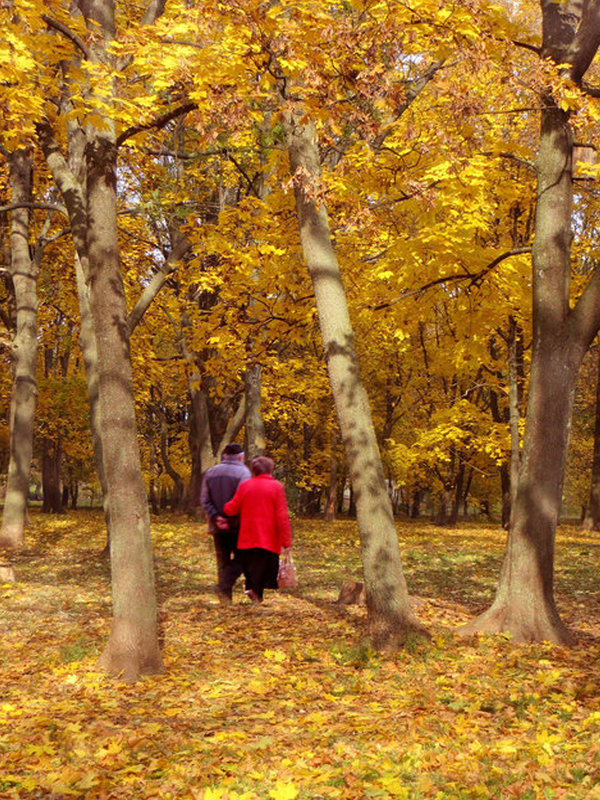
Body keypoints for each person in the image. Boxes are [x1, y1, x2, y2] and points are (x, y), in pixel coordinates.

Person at [224, 455, 292, 603]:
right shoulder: (276, 487)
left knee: (251, 565)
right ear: (270, 469)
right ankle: (256, 593)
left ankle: (254, 591)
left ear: (253, 470)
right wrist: (286, 541)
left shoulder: (245, 485)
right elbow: (282, 516)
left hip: (248, 535)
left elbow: (231, 508)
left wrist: (223, 505)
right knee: (264, 566)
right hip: (268, 537)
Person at [200, 443, 251, 604]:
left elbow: (205, 500)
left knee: (222, 560)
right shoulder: (244, 473)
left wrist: (217, 518)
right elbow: (244, 500)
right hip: (237, 525)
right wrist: (230, 519)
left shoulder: (210, 473)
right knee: (243, 557)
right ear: (240, 457)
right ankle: (224, 585)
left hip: (217, 526)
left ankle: (225, 598)